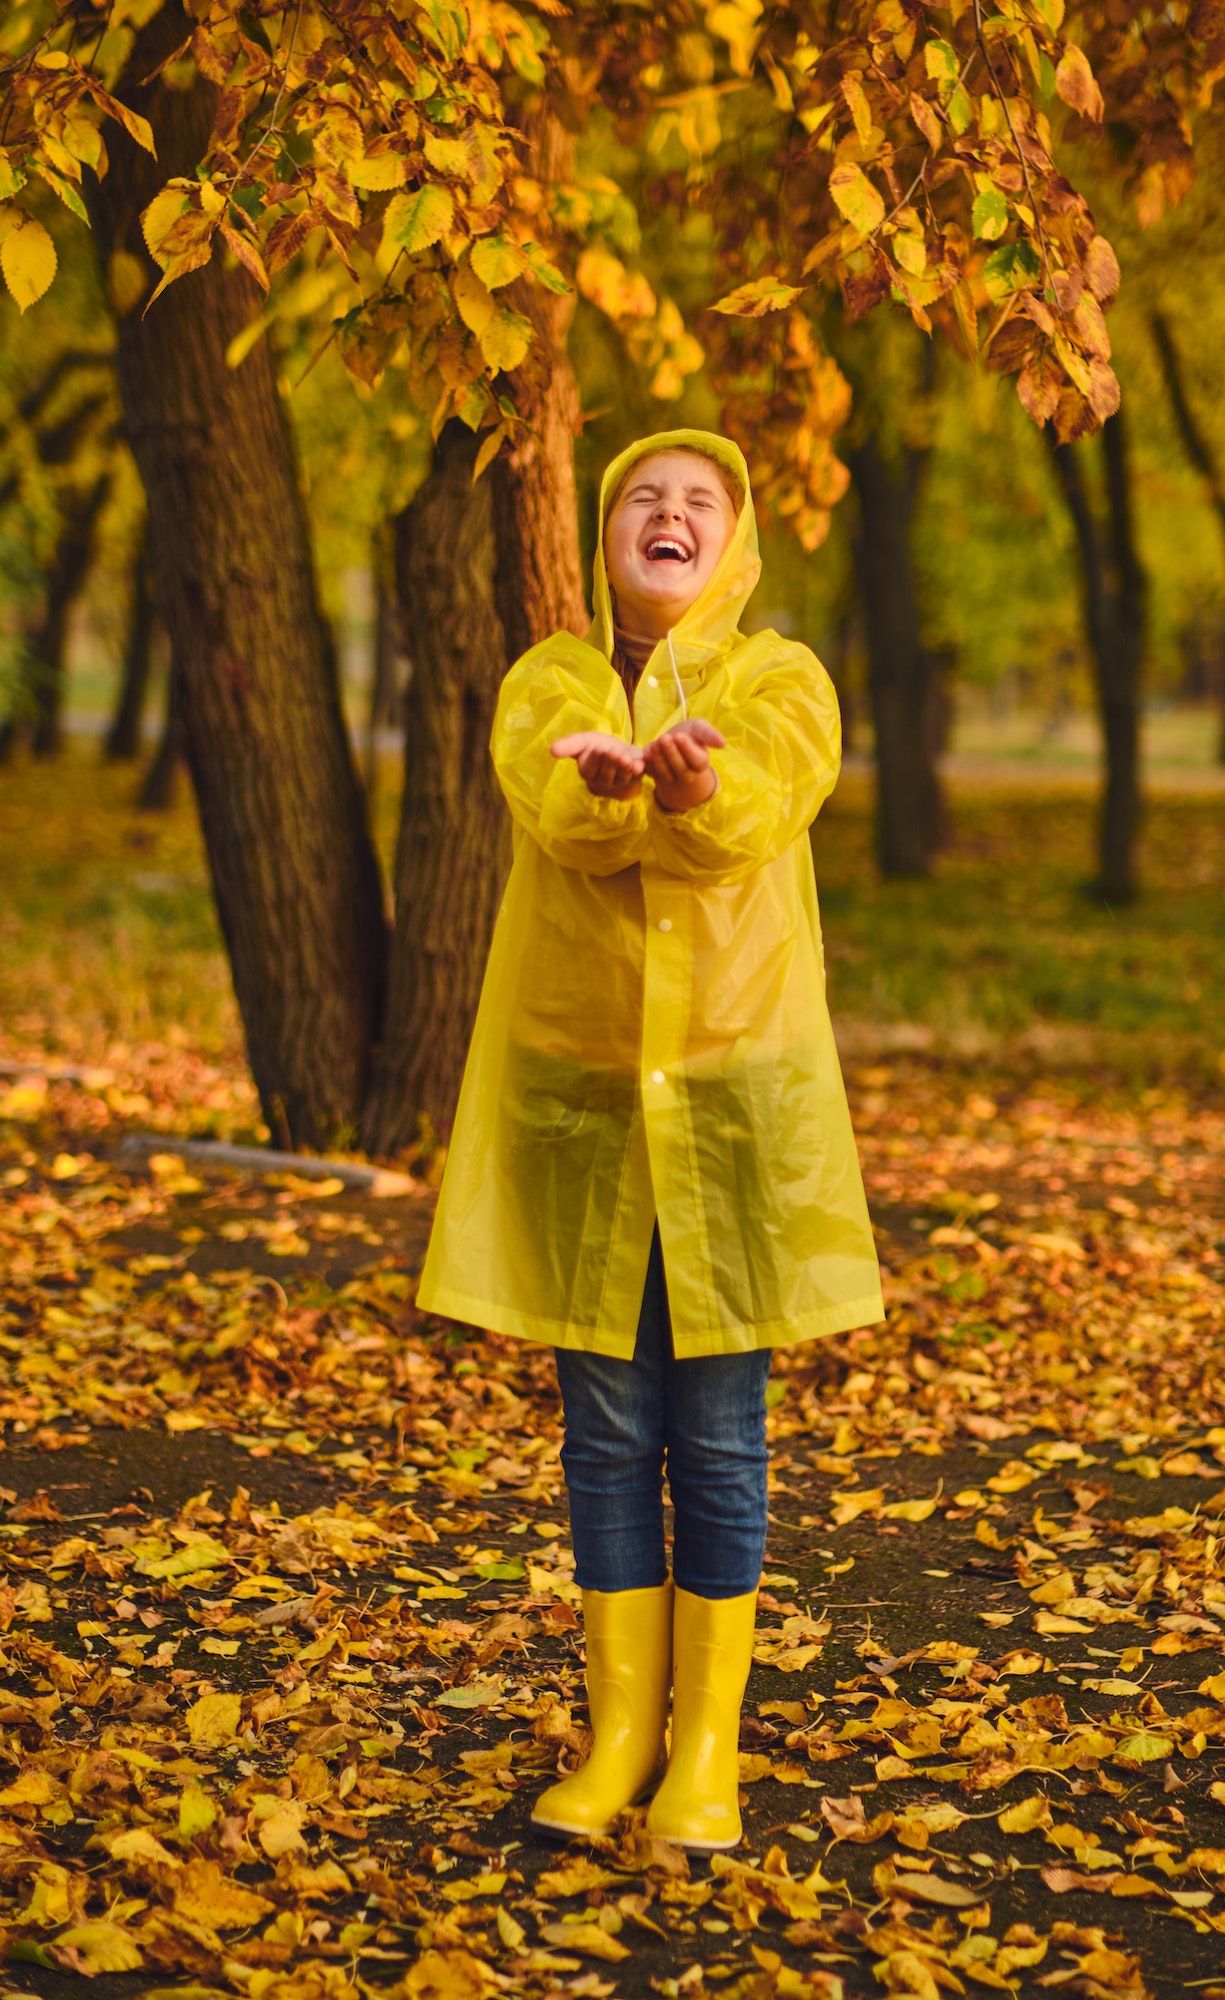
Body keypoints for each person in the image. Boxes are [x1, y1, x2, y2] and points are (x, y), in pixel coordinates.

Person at [417, 428, 882, 1851]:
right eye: (641, 497)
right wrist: (609, 787)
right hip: (581, 1107)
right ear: (604, 530)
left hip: (736, 1109)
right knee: (608, 1429)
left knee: (721, 1436)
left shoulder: (777, 678)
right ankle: (619, 1728)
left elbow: (764, 804)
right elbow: (550, 801)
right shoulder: (551, 680)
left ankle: (705, 1751)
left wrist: (691, 788)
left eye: (698, 504)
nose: (667, 516)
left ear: (732, 543)